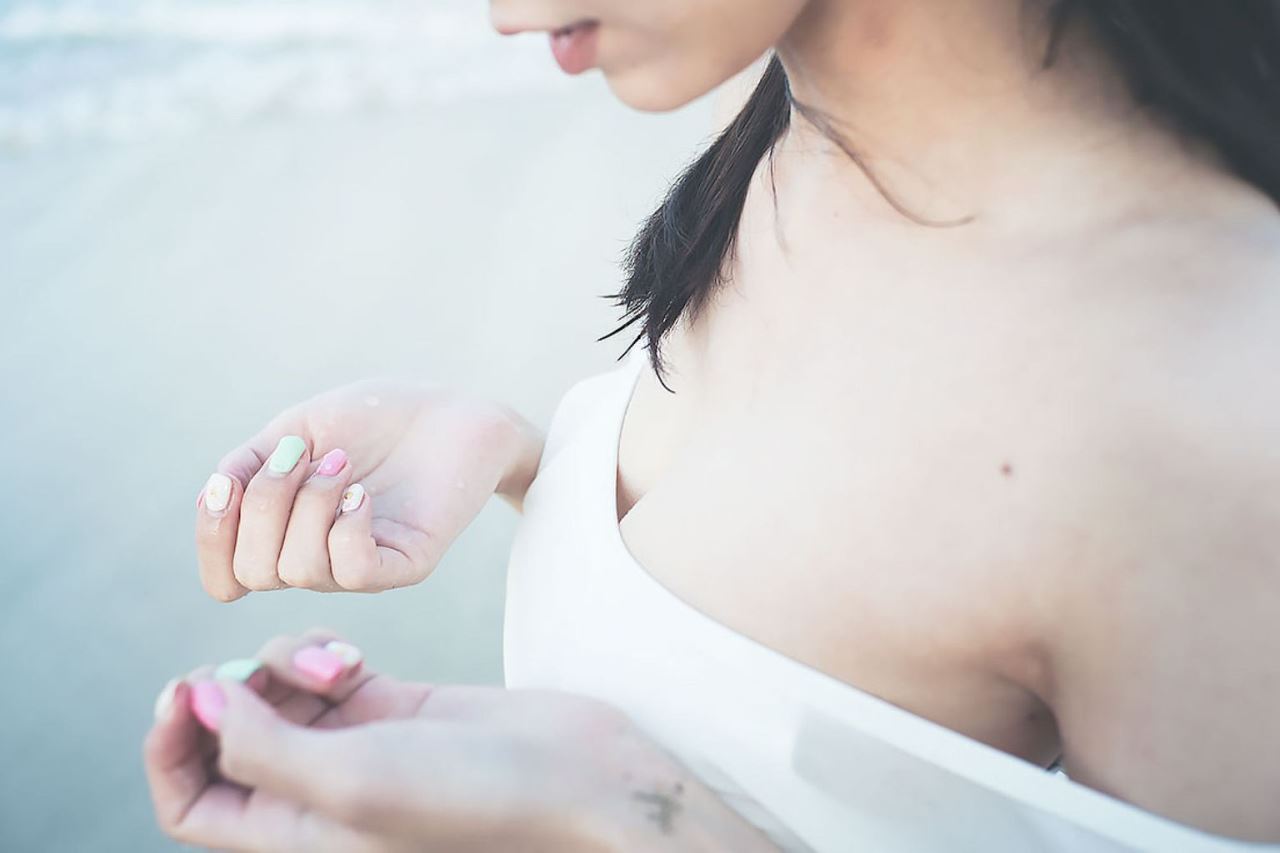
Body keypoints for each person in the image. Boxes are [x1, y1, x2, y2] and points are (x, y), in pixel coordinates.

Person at [145, 1, 1280, 849]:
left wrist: (635, 813)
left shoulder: (1205, 398)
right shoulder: (783, 125)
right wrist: (538, 463)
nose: (505, 13)